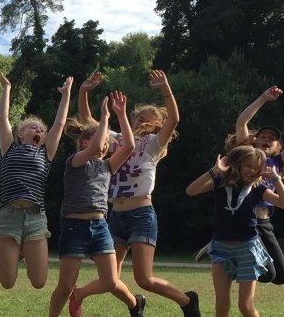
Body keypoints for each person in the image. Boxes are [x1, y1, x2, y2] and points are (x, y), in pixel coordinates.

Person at [74, 70, 200, 316]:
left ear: (155, 126)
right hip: (115, 216)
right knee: (110, 278)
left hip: (142, 214)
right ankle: (135, 304)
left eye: (147, 120)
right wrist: (83, 92)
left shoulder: (152, 144)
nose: (141, 122)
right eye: (138, 117)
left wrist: (166, 89)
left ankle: (187, 301)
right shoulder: (116, 138)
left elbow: (173, 119)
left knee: (144, 278)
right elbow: (88, 120)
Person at [197, 83, 284, 285]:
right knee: (267, 274)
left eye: (271, 139)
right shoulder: (245, 155)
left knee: (280, 277)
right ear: (253, 142)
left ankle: (223, 254)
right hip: (240, 222)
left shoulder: (277, 163)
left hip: (263, 225)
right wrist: (264, 98)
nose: (266, 139)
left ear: (276, 147)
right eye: (262, 136)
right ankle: (224, 255)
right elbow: (241, 123)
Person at [50, 93, 145, 317]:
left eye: (106, 145)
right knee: (65, 286)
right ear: (84, 142)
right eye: (101, 143)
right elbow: (92, 150)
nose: (104, 148)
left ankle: (134, 304)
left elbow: (129, 146)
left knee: (111, 281)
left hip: (100, 227)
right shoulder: (75, 162)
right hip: (74, 226)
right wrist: (103, 117)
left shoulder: (107, 166)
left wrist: (121, 115)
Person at [186, 146, 284, 317]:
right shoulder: (220, 182)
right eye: (248, 166)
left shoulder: (258, 189)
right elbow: (191, 191)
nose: (252, 171)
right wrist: (213, 171)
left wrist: (276, 180)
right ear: (236, 165)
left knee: (245, 305)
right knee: (221, 306)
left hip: (247, 248)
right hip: (221, 248)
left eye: (256, 167)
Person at [0, 73, 72, 291]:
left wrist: (66, 95)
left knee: (39, 282)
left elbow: (60, 122)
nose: (39, 130)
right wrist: (7, 88)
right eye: (33, 127)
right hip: (8, 216)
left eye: (41, 130)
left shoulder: (46, 153)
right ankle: (15, 250)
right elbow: (2, 119)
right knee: (7, 282)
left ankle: (23, 249)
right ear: (21, 133)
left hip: (35, 217)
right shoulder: (9, 148)